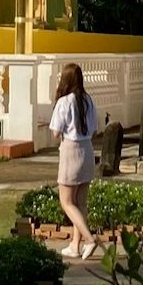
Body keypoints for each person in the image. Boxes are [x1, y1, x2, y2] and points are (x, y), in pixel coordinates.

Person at [49, 63, 99, 260]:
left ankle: (89, 239)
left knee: (67, 202)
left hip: (71, 149)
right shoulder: (89, 100)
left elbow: (55, 132)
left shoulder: (64, 102)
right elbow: (94, 128)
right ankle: (75, 245)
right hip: (87, 149)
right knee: (81, 203)